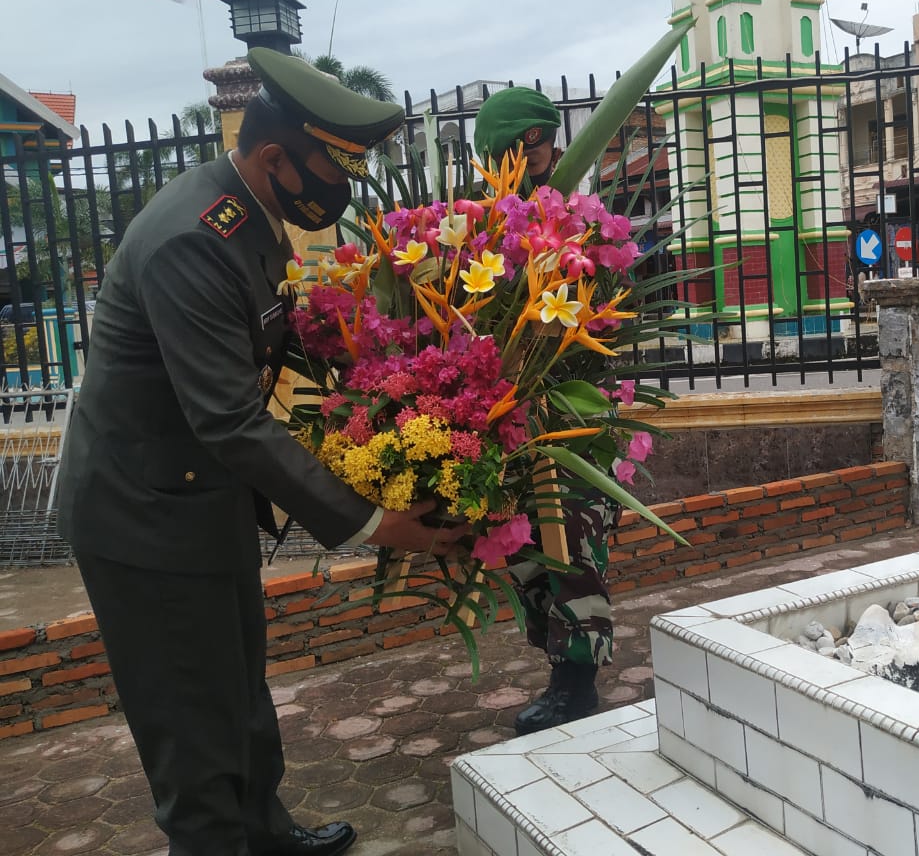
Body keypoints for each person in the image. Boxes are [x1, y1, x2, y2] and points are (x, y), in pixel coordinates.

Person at [57, 47, 462, 856]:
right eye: (329, 169)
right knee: (190, 720)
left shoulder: (242, 210)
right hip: (141, 518)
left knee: (238, 692)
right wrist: (372, 523)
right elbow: (230, 419)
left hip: (197, 501)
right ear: (274, 157)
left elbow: (264, 354)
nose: (339, 191)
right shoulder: (195, 238)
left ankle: (265, 833)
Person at [472, 87, 617, 735]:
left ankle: (577, 680)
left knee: (575, 545)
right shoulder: (483, 226)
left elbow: (606, 306)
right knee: (527, 547)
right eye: (524, 143)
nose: (541, 154)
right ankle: (557, 664)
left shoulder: (576, 217)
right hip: (511, 415)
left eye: (546, 140)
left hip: (572, 414)